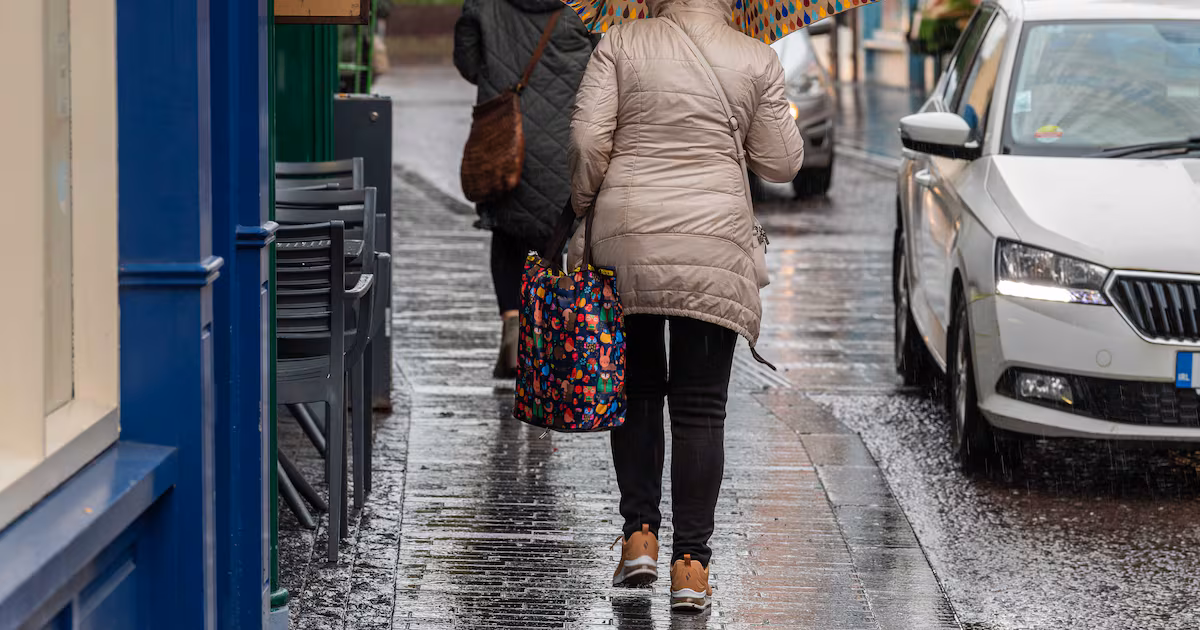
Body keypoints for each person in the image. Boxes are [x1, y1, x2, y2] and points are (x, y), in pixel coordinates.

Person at [567, 0, 804, 611]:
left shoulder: (620, 42)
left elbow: (588, 139)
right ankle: (691, 569)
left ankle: (639, 537)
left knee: (638, 391)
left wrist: (583, 204)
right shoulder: (756, 56)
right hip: (714, 247)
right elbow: (782, 163)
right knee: (701, 410)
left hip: (629, 240)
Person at [453, 0, 596, 378]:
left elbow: (468, 64)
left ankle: (514, 327)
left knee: (507, 234)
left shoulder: (483, 4)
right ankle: (548, 339)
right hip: (563, 142)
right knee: (555, 237)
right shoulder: (585, 6)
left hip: (504, 139)